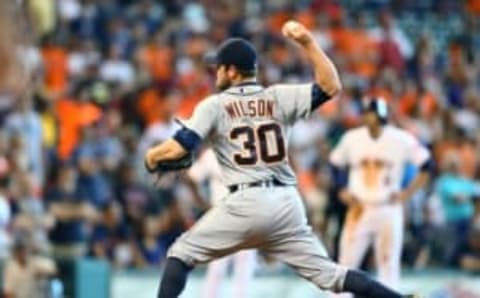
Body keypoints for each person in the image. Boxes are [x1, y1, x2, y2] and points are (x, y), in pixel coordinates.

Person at [145, 21, 416, 298]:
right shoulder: (277, 96)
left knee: (181, 253)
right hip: (286, 204)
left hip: (245, 202)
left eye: (219, 67)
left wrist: (152, 156)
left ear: (231, 71)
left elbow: (180, 147)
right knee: (331, 275)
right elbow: (331, 86)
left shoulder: (215, 104)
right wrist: (309, 43)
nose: (216, 73)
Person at [329, 98, 432, 296]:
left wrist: (407, 193)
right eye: (368, 113)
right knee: (346, 263)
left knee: (388, 264)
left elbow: (427, 164)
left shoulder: (401, 138)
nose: (369, 118)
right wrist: (342, 189)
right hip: (360, 208)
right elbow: (335, 164)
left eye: (372, 114)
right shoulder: (353, 138)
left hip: (388, 207)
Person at [187, 149, 256, 298]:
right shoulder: (212, 154)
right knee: (217, 267)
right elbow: (192, 177)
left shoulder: (250, 152)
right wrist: (202, 203)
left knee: (243, 268)